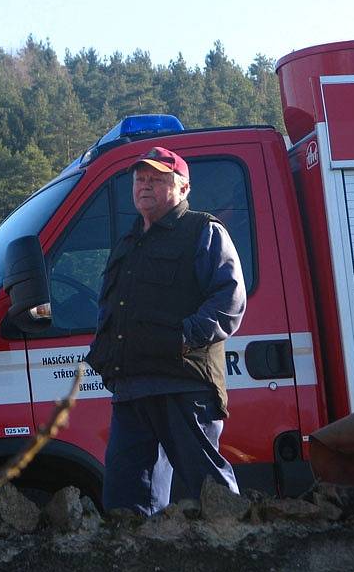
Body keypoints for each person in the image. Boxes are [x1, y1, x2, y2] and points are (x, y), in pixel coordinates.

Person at [85, 146, 246, 516]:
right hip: (131, 389)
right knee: (125, 505)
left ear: (183, 189)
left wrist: (183, 338)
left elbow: (230, 301)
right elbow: (111, 311)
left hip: (184, 384)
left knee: (214, 495)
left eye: (158, 179)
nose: (146, 185)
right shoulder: (127, 244)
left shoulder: (202, 231)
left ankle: (241, 553)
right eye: (141, 178)